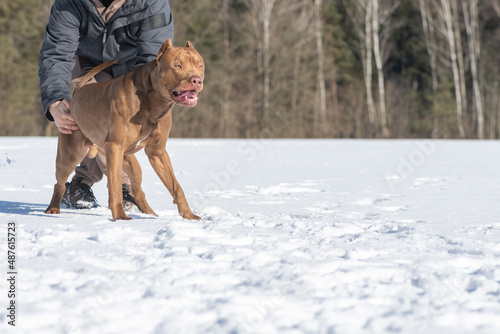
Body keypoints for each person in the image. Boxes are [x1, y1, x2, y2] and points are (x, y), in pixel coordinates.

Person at [39, 0, 174, 209]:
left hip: (134, 72)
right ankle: (122, 186)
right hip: (87, 67)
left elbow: (153, 58)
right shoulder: (68, 4)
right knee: (99, 111)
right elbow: (56, 53)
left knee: (119, 116)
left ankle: (82, 181)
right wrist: (55, 100)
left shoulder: (152, 3)